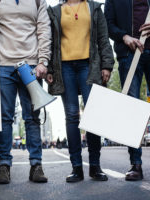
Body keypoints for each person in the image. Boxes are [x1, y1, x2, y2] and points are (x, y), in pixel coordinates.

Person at [47, 0, 114, 183]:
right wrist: (50, 69)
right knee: (71, 115)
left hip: (89, 65)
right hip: (65, 68)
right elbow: (51, 43)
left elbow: (103, 38)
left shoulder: (93, 7)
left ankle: (95, 166)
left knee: (92, 116)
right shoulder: (54, 11)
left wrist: (107, 65)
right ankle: (76, 167)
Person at [0, 0, 51, 184]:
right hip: (3, 65)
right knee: (4, 118)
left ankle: (36, 165)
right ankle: (4, 166)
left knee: (32, 118)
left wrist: (43, 60)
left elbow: (44, 30)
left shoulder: (39, 1)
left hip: (31, 65)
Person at [105, 0, 150, 181]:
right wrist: (124, 37)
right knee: (131, 109)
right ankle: (136, 164)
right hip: (129, 54)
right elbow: (108, 24)